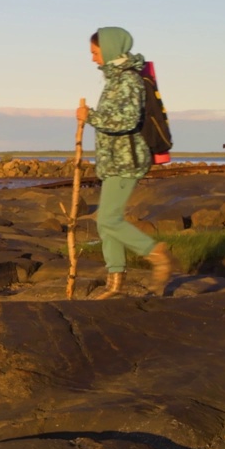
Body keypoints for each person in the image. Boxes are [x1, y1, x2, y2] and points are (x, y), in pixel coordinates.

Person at [75, 26, 178, 298]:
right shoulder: (115, 79)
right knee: (106, 222)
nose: (93, 59)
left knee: (108, 219)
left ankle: (156, 254)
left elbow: (127, 121)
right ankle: (115, 282)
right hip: (114, 161)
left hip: (127, 161)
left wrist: (90, 117)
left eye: (95, 53)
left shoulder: (128, 80)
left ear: (108, 49)